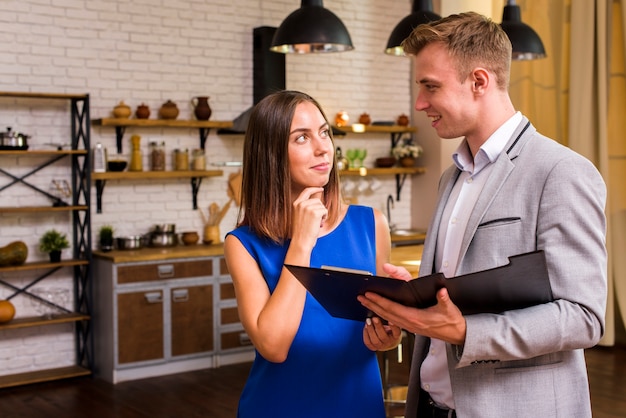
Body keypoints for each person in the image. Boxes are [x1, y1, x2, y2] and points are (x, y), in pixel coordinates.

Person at [358, 12, 607, 418]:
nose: (420, 104)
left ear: (479, 81)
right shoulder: (451, 177)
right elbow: (460, 290)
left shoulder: (561, 172)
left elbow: (583, 316)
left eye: (430, 87)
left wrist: (466, 332)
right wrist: (414, 299)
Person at [224, 90, 402, 418]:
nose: (322, 147)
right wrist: (302, 242)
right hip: (278, 407)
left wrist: (389, 335)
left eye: (324, 132)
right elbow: (273, 347)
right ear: (271, 154)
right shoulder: (243, 244)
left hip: (358, 406)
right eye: (301, 137)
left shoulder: (371, 225)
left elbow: (381, 324)